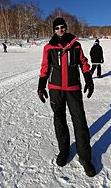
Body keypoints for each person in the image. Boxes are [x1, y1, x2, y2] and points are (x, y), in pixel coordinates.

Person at [37, 17, 96, 177]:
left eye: (63, 27)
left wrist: (89, 80)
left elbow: (83, 63)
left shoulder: (76, 45)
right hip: (56, 89)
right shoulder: (49, 47)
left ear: (66, 28)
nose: (60, 30)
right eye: (57, 28)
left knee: (80, 122)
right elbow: (45, 67)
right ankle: (64, 151)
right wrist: (41, 85)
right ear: (54, 30)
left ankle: (85, 158)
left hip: (73, 89)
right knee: (59, 121)